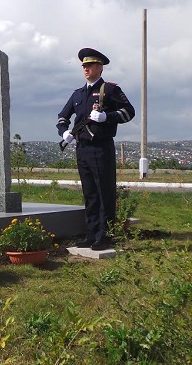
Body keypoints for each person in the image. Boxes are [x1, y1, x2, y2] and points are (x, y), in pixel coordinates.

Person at [57, 48, 135, 250]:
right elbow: (63, 116)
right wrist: (64, 132)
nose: (86, 68)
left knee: (104, 192)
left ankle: (105, 235)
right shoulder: (78, 94)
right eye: (84, 65)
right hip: (82, 149)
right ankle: (91, 234)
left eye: (90, 65)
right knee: (89, 193)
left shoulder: (109, 90)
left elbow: (129, 111)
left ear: (100, 68)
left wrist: (107, 117)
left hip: (101, 148)